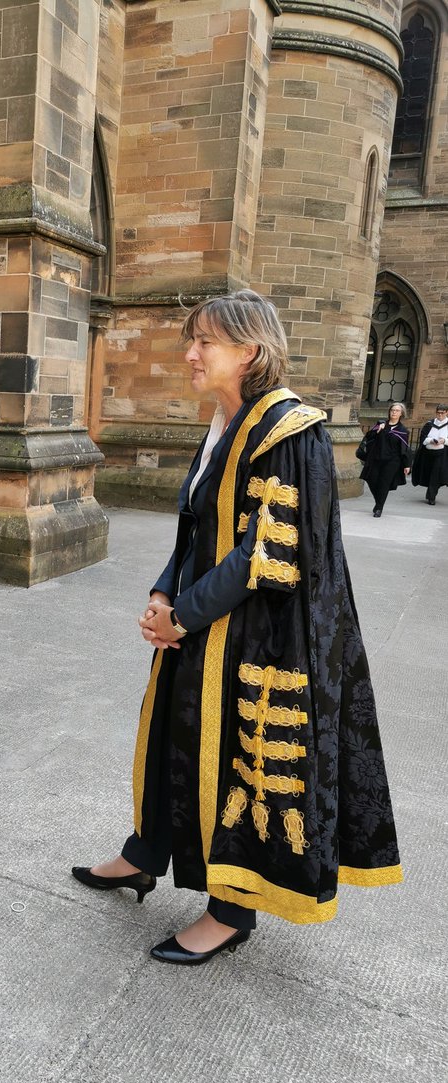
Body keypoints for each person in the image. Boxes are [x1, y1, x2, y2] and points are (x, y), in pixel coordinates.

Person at [71, 289, 402, 964]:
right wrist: (165, 592)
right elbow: (197, 529)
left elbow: (266, 555)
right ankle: (145, 854)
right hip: (200, 627)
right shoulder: (224, 423)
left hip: (260, 641)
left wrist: (181, 618)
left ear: (250, 352)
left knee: (240, 773)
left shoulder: (289, 431)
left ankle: (231, 912)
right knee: (172, 741)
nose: (189, 354)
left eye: (205, 343)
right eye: (191, 340)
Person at [358, 403, 411, 516]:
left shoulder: (403, 431)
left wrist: (407, 465)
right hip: (376, 458)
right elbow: (368, 437)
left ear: (401, 413)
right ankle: (379, 502)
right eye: (392, 410)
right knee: (371, 479)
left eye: (397, 410)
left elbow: (404, 449)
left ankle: (379, 508)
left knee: (384, 484)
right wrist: (377, 431)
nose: (394, 412)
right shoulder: (381, 425)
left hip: (392, 461)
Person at [411, 403, 448, 505]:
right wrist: (431, 440)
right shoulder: (429, 424)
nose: (440, 415)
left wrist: (444, 440)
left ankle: (431, 496)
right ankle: (431, 493)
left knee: (436, 474)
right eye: (438, 413)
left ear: (447, 413)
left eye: (442, 413)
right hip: (428, 453)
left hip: (442, 454)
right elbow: (423, 438)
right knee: (429, 473)